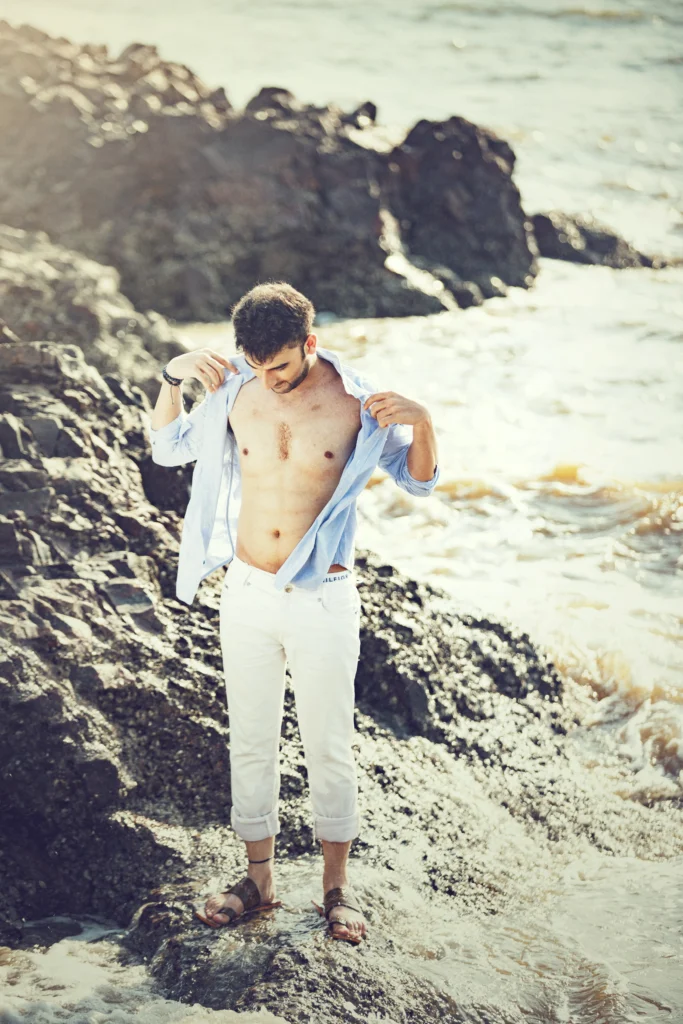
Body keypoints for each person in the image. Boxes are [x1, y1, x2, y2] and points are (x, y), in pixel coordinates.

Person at [147, 281, 439, 944]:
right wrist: (173, 379)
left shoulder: (361, 404)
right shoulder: (234, 389)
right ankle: (258, 880)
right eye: (256, 365)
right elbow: (168, 448)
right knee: (250, 739)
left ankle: (335, 892)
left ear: (309, 342)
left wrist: (422, 420)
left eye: (278, 364)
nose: (268, 379)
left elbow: (419, 479)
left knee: (327, 744)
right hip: (245, 592)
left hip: (321, 597)